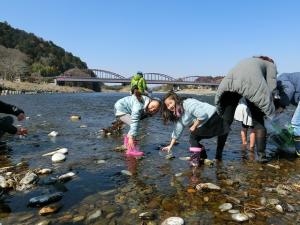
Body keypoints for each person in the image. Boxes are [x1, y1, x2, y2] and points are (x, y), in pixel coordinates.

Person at [215, 56, 278, 162]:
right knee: (258, 122)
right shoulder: (270, 65)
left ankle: (218, 154)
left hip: (228, 85)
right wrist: (273, 102)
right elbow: (272, 85)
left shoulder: (248, 60)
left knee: (226, 121)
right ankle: (261, 156)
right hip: (253, 86)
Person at [161, 92, 230, 166]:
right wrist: (170, 145)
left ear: (176, 99)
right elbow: (178, 129)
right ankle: (202, 154)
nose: (169, 107)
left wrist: (194, 126)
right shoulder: (177, 113)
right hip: (204, 123)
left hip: (213, 119)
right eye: (167, 106)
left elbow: (202, 115)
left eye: (170, 103)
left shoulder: (187, 103)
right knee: (194, 138)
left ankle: (196, 158)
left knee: (193, 138)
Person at [276, 72, 300, 155]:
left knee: (295, 123)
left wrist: (282, 106)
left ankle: (298, 151)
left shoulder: (280, 79)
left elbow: (290, 89)